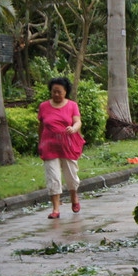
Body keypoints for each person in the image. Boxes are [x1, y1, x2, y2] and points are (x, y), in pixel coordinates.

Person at [37, 77, 86, 219]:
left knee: (71, 174)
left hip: (68, 145)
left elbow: (78, 122)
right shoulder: (44, 106)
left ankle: (74, 196)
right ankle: (56, 209)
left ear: (66, 92)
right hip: (49, 146)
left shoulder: (72, 105)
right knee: (53, 177)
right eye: (54, 92)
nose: (56, 94)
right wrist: (40, 142)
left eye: (59, 92)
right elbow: (41, 126)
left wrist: (73, 128)